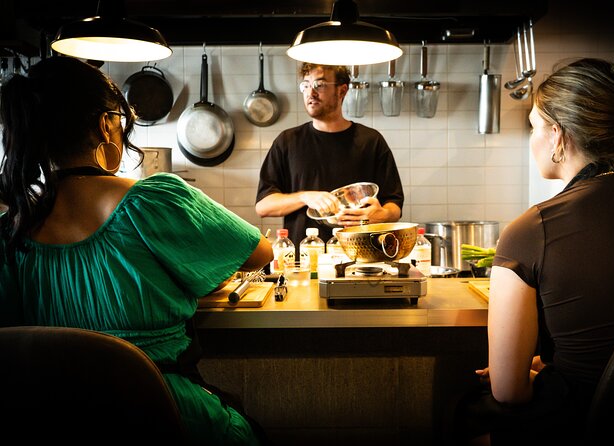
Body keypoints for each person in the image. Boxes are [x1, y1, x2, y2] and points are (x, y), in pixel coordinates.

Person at [0, 56, 274, 445]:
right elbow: (259, 253)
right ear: (104, 125)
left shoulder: (9, 233)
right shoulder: (153, 202)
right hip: (163, 416)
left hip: (51, 424)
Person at [454, 56, 614, 445]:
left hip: (582, 426)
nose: (532, 139)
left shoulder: (530, 231)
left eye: (534, 126)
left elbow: (508, 391)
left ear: (557, 134)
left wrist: (535, 376)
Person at [255, 63, 404, 244]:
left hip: (361, 258)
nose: (311, 93)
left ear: (342, 91)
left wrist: (381, 215)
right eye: (306, 85)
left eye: (320, 85)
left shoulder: (371, 141)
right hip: (306, 259)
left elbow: (394, 205)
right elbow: (263, 206)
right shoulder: (287, 141)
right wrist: (305, 197)